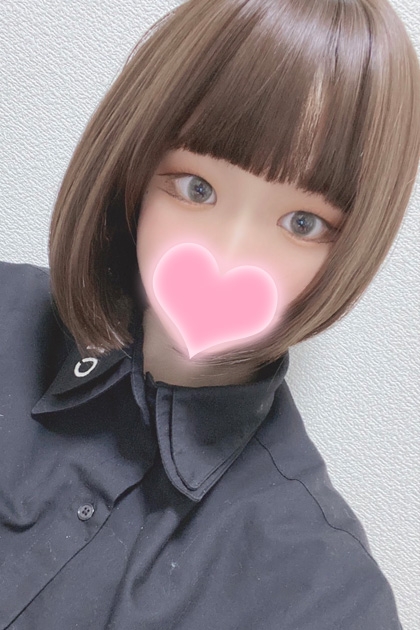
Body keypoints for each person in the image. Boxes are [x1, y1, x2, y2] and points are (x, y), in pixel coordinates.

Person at [1, 0, 419, 628]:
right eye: (197, 188)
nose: (228, 255)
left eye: (302, 223)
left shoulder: (325, 596)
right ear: (135, 170)